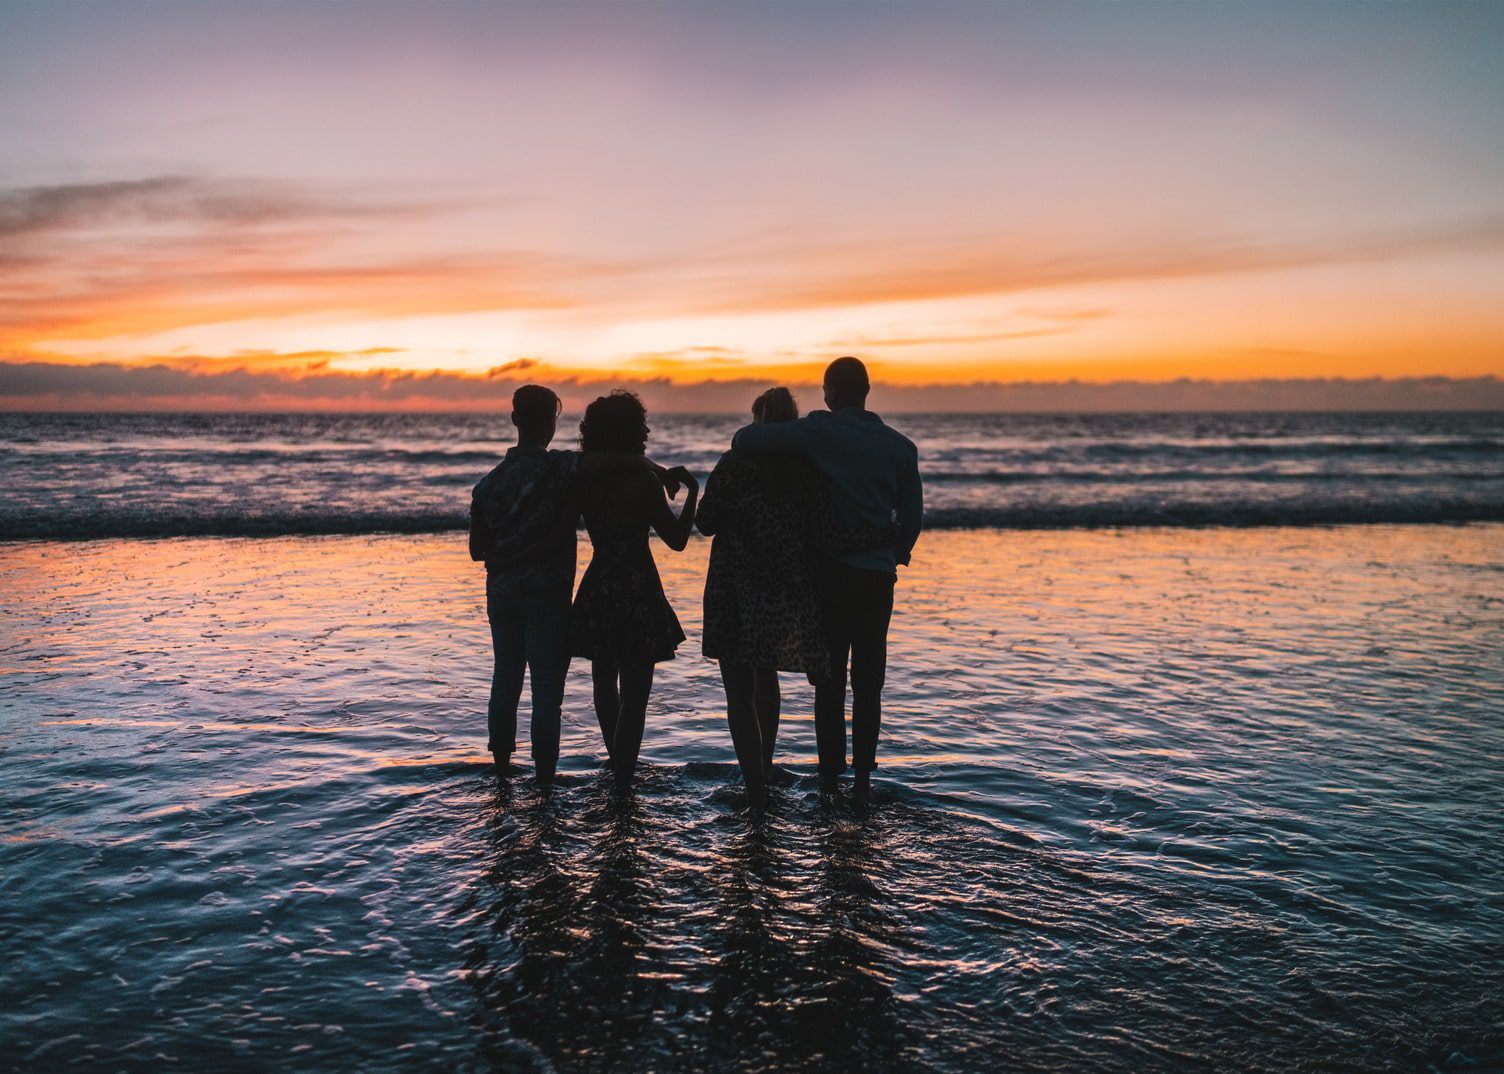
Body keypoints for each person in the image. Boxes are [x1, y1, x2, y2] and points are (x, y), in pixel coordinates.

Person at [696, 387, 898, 811]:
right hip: (782, 590)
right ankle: (765, 770)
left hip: (733, 586)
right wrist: (884, 535)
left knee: (739, 692)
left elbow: (706, 521)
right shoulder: (803, 473)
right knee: (766, 680)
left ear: (757, 420)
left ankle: (754, 789)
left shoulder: (734, 465)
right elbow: (829, 533)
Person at [731, 358, 923, 804]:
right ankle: (861, 784)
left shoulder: (820, 430)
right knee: (869, 681)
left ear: (831, 392)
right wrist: (893, 555)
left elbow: (748, 439)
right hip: (877, 577)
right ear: (868, 390)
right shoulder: (900, 447)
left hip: (831, 574)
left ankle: (830, 782)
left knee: (830, 680)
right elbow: (912, 520)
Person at [469, 384, 679, 784]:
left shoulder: (487, 485)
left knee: (505, 679)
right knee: (547, 689)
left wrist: (509, 556)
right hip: (547, 594)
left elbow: (479, 551)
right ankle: (545, 779)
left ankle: (501, 774)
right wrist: (660, 471)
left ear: (515, 419)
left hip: (502, 594)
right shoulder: (561, 467)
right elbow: (618, 459)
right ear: (552, 421)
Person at [569, 390, 698, 787]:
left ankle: (616, 765)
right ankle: (624, 778)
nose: (646, 432)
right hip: (637, 585)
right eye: (641, 425)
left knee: (604, 682)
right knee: (636, 697)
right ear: (627, 429)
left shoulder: (584, 477)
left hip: (600, 580)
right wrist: (693, 492)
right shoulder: (642, 481)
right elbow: (677, 540)